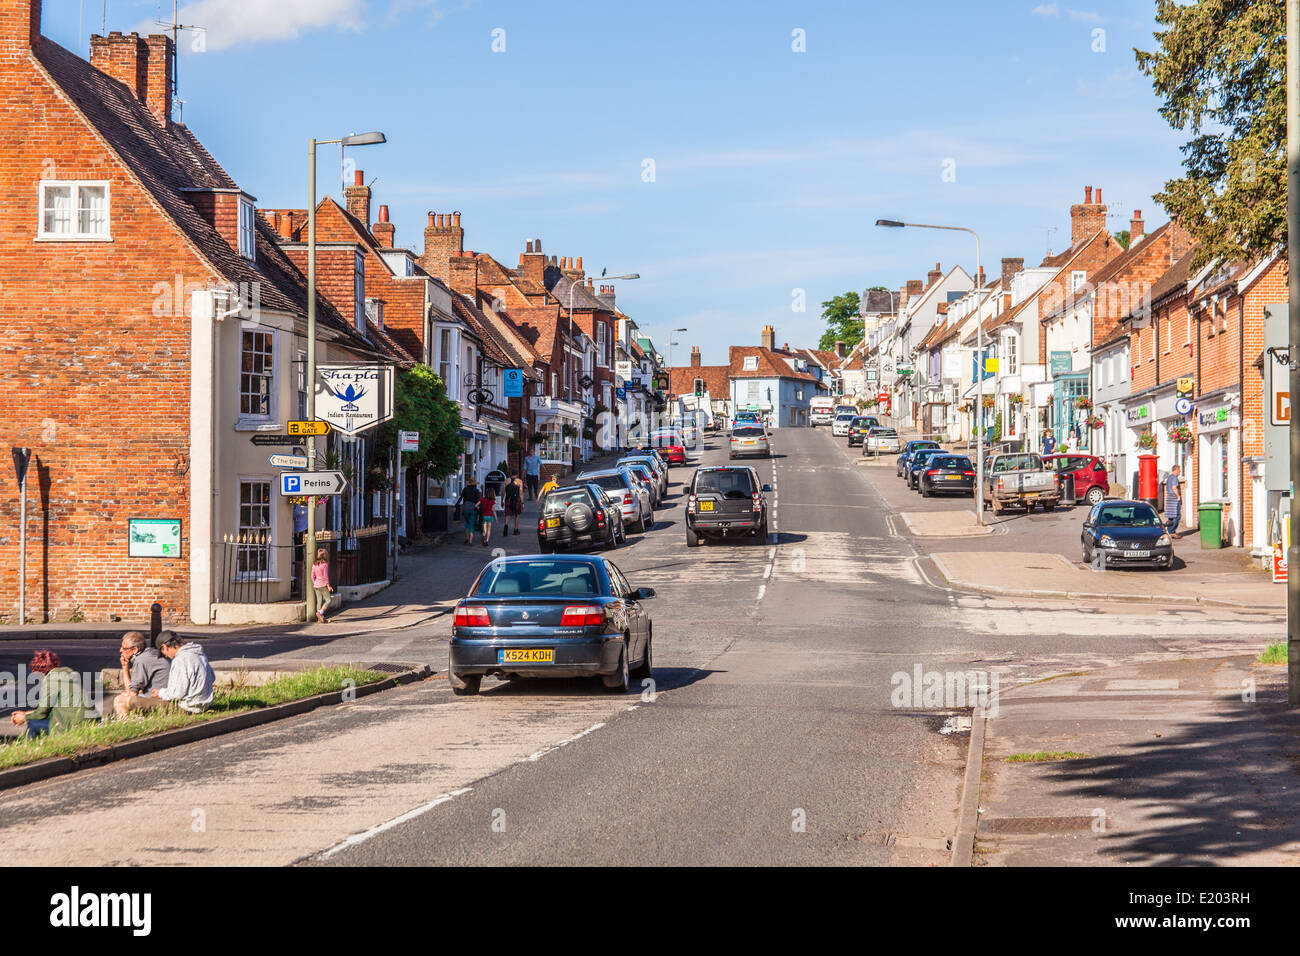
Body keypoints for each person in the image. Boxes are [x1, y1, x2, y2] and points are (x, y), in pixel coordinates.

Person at [10, 651, 89, 736]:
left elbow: (42, 714)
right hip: (87, 723)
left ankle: (28, 748)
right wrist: (25, 714)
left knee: (33, 725)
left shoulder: (51, 681)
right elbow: (50, 710)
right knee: (41, 723)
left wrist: (24, 718)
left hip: (73, 725)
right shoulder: (68, 676)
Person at [146, 633, 215, 714]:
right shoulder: (200, 654)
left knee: (134, 701)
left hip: (188, 707)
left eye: (163, 653)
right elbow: (212, 677)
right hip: (205, 705)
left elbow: (177, 694)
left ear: (165, 647)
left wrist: (160, 692)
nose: (166, 656)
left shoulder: (180, 660)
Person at [113, 630, 171, 717]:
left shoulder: (141, 660)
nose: (120, 650)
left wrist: (125, 668)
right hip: (169, 697)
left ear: (135, 649)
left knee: (119, 700)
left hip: (162, 701)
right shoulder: (151, 653)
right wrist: (125, 666)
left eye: (124, 648)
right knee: (124, 695)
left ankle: (127, 726)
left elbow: (132, 693)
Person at [454, 477, 482, 545]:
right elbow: (479, 501)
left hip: (465, 507)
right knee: (471, 524)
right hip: (473, 508)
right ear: (475, 484)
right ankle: (470, 541)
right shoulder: (477, 491)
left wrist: (455, 506)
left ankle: (466, 538)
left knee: (467, 523)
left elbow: (461, 498)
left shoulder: (465, 489)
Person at [311, 549, 335, 623]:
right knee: (328, 600)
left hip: (316, 585)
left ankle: (319, 619)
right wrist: (328, 586)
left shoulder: (314, 564)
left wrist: (315, 583)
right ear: (324, 555)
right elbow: (325, 576)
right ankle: (320, 613)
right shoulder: (325, 565)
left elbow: (312, 576)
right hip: (323, 585)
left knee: (319, 601)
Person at [1164, 464, 1183, 534]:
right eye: (1179, 471)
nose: (1180, 472)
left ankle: (1170, 531)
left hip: (1169, 498)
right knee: (1177, 516)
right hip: (1174, 499)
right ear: (1176, 470)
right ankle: (1171, 531)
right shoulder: (1174, 477)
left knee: (1171, 516)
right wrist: (1178, 496)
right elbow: (1174, 487)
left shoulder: (1169, 477)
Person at [503, 472, 524, 536]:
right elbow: (521, 492)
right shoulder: (519, 481)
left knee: (507, 515)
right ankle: (516, 530)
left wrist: (502, 500)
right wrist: (522, 502)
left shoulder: (506, 480)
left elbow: (503, 492)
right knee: (517, 515)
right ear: (517, 474)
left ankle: (505, 528)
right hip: (517, 500)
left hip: (508, 500)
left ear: (511, 474)